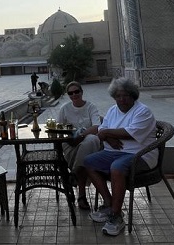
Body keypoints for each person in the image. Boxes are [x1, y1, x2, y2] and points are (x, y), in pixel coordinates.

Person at [83, 77, 158, 237]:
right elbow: (102, 129)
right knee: (89, 162)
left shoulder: (142, 111)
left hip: (140, 155)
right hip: (112, 152)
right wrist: (107, 135)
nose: (121, 99)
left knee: (117, 167)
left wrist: (106, 133)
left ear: (133, 96)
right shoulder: (112, 110)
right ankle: (110, 205)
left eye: (125, 96)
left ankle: (116, 216)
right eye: (118, 96)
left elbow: (130, 133)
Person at [56, 81, 102, 210]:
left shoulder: (91, 107)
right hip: (70, 144)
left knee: (91, 140)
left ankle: (75, 173)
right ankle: (81, 194)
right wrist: (72, 138)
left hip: (86, 140)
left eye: (77, 91)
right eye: (71, 93)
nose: (74, 95)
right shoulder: (65, 109)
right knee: (86, 153)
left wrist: (81, 136)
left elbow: (97, 127)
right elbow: (58, 129)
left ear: (81, 92)